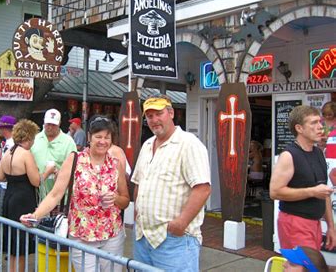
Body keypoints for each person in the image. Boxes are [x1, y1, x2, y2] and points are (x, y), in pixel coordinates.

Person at [22, 115, 130, 272]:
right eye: (98, 136)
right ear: (89, 137)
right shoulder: (75, 160)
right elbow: (55, 194)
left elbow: (125, 200)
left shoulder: (115, 164)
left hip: (112, 235)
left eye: (107, 137)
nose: (102, 141)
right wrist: (35, 215)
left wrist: (115, 199)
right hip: (81, 236)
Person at [131, 95, 211, 271]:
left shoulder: (189, 144)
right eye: (150, 116)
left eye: (159, 113)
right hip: (143, 236)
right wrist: (138, 212)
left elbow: (203, 189)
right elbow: (139, 182)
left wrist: (180, 223)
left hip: (174, 240)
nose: (154, 120)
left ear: (171, 113)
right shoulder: (147, 145)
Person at [270, 105, 335, 251]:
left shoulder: (318, 153)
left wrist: (331, 227)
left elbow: (323, 193)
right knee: (301, 266)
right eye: (313, 123)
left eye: (320, 122)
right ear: (299, 128)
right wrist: (312, 192)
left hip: (315, 223)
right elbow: (275, 192)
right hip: (295, 222)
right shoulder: (289, 155)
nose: (320, 127)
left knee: (311, 266)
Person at [0, 119, 40, 272]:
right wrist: (48, 171)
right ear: (28, 137)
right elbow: (36, 181)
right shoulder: (26, 154)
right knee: (21, 246)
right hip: (23, 200)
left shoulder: (7, 152)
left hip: (9, 197)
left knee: (12, 243)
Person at [31, 109, 77, 200]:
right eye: (48, 124)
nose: (50, 127)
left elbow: (74, 168)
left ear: (59, 123)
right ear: (44, 122)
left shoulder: (68, 142)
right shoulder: (35, 139)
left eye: (53, 124)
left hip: (60, 195)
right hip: (36, 192)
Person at [0, 115, 17, 216]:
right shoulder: (8, 142)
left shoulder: (11, 143)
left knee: (4, 211)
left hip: (7, 183)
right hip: (4, 183)